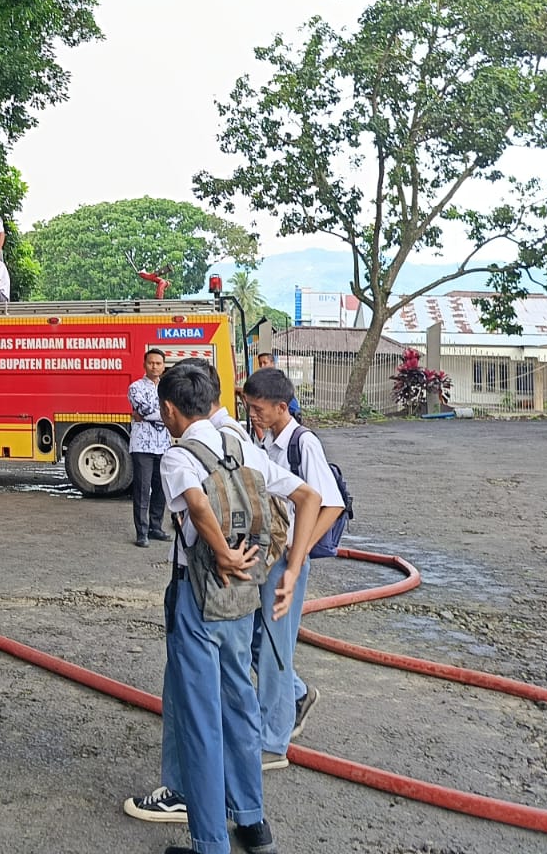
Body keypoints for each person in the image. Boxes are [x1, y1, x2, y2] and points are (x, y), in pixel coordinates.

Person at [122, 360, 320, 854]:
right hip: (242, 601)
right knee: (238, 703)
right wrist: (291, 570)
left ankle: (210, 842)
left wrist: (223, 552)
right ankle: (253, 822)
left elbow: (196, 502)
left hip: (198, 594)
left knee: (199, 717)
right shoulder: (243, 448)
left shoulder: (178, 456)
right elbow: (308, 496)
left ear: (168, 409)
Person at [243, 366, 347, 770]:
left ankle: (274, 742)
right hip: (269, 552)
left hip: (287, 559)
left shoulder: (304, 444)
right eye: (249, 408)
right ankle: (298, 694)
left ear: (281, 407)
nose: (252, 415)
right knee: (256, 638)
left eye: (257, 409)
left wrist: (295, 558)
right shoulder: (265, 439)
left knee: (274, 648)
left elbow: (330, 503)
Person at [127, 349, 170, 548]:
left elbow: (175, 411)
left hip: (163, 444)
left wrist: (146, 415)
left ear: (163, 365)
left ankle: (155, 527)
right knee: (143, 489)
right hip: (142, 445)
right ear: (145, 364)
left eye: (158, 363)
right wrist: (165, 415)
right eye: (151, 363)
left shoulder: (169, 388)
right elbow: (145, 410)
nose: (154, 366)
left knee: (161, 488)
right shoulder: (135, 388)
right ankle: (141, 532)